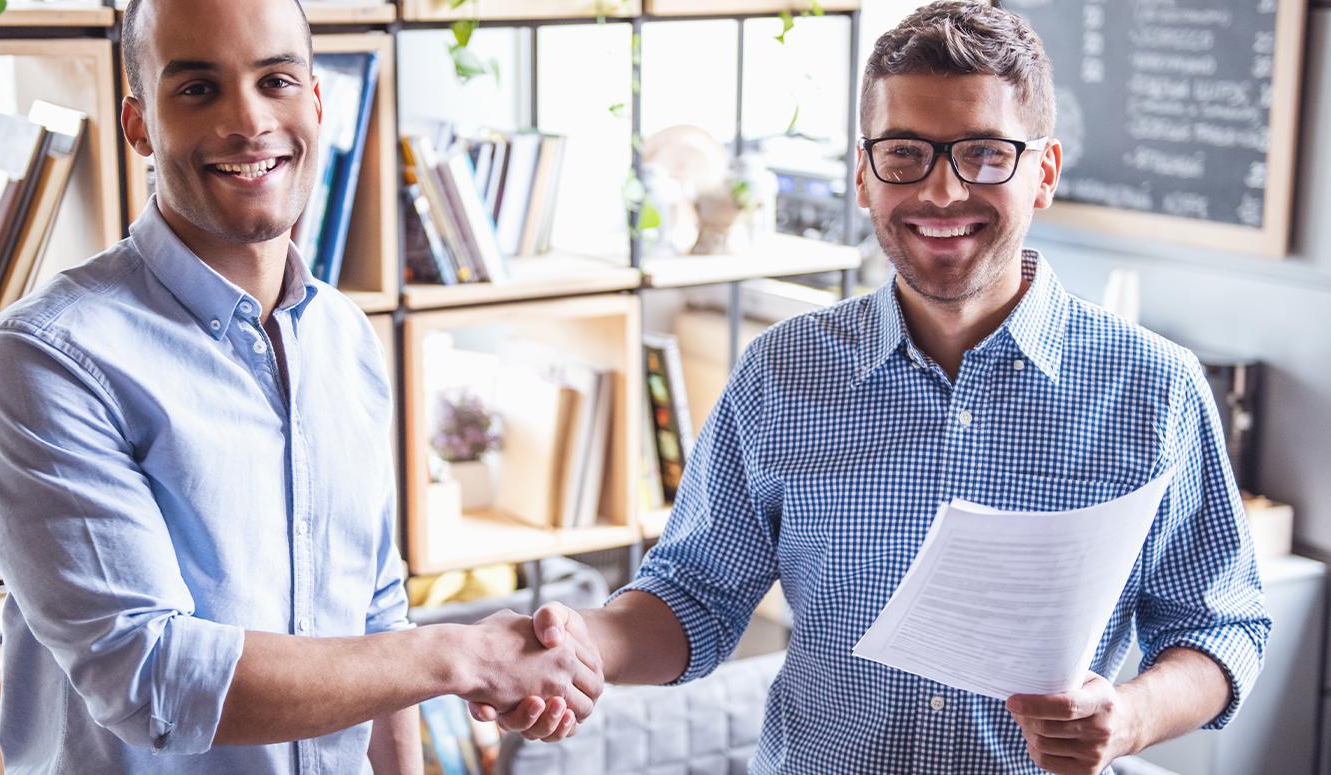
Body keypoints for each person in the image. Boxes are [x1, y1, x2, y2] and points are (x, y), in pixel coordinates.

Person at [491, 4, 1271, 774]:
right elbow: (695, 594)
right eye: (906, 154)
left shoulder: (1153, 388)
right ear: (864, 175)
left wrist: (1130, 716)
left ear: (1044, 173)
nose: (940, 192)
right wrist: (580, 646)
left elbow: (1221, 626)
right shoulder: (780, 373)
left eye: (985, 154)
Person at [0, 0, 597, 772]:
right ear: (139, 126)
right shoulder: (42, 361)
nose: (249, 121)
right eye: (196, 89)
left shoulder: (346, 337)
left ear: (317, 102)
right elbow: (148, 675)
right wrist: (462, 655)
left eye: (277, 80)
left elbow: (376, 615)